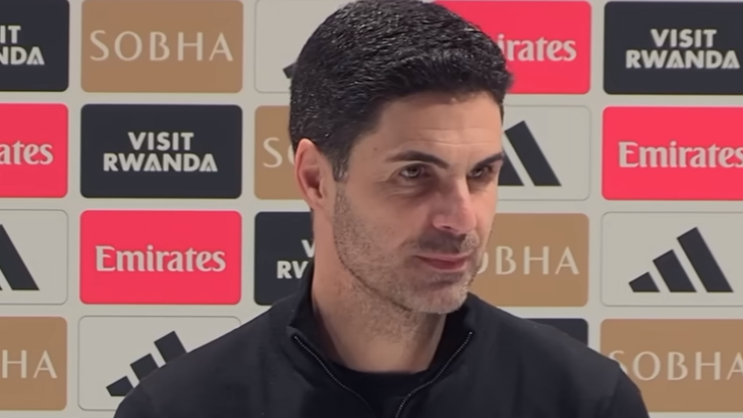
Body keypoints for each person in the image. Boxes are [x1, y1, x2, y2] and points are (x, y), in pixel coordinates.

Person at [113, 0, 650, 417]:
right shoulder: (179, 409)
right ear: (315, 178)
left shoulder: (584, 401)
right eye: (414, 174)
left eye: (481, 174)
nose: (462, 218)